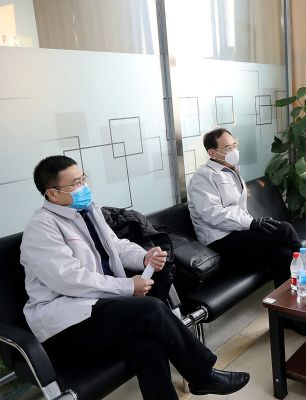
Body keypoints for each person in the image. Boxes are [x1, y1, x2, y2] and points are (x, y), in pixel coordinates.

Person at [21, 156, 250, 400]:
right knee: (151, 308)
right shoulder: (41, 229)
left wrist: (143, 257)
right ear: (52, 194)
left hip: (99, 308)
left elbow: (116, 246)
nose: (83, 187)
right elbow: (70, 280)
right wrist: (128, 286)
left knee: (148, 347)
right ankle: (203, 376)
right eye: (75, 183)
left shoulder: (87, 211)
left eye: (83, 179)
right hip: (67, 324)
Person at [187, 128, 306, 336]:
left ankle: (288, 316)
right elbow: (212, 214)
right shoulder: (203, 177)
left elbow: (238, 210)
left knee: (282, 256)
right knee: (285, 229)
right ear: (212, 152)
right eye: (227, 147)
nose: (233, 151)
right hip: (220, 242)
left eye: (234, 146)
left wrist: (251, 224)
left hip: (238, 235)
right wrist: (252, 224)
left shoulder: (231, 170)